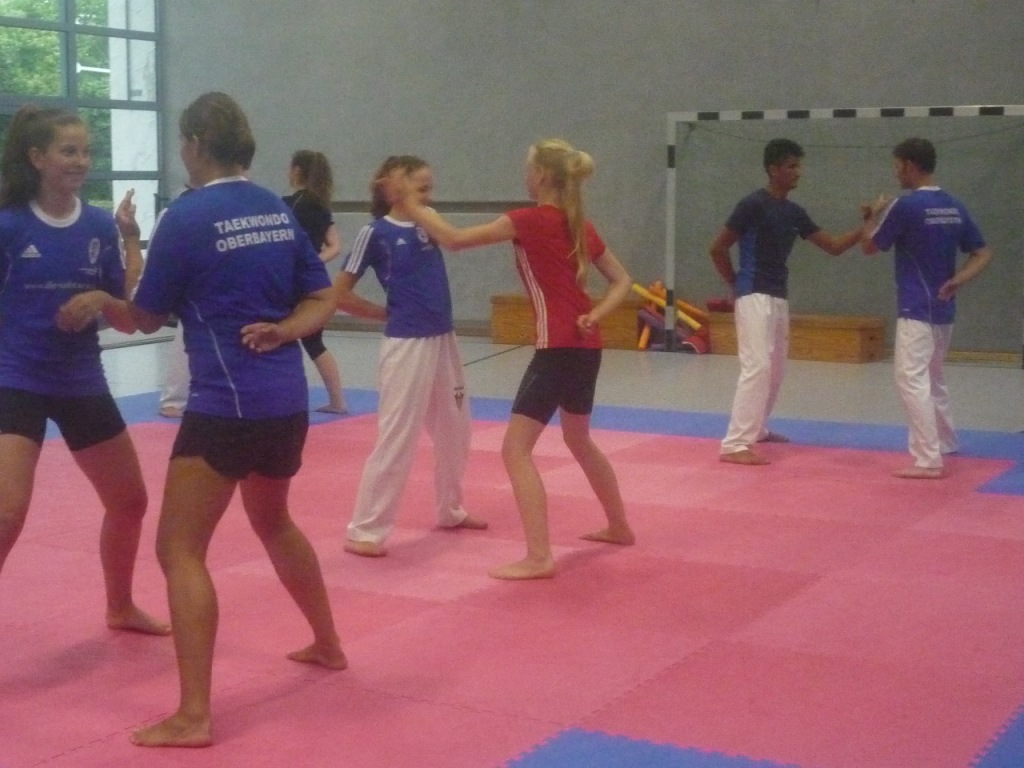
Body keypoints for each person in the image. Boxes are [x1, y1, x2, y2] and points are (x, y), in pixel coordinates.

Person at [127, 92, 346, 749]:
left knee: (178, 549)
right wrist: (285, 331)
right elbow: (322, 298)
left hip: (225, 406)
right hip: (285, 405)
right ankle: (328, 643)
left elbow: (145, 316)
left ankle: (194, 714)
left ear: (196, 143)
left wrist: (126, 249)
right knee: (273, 520)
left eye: (182, 141)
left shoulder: (187, 216)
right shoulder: (276, 209)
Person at [401, 138, 635, 580]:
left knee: (515, 449)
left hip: (557, 348)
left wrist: (410, 204)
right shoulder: (578, 224)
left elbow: (454, 240)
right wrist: (597, 314)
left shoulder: (527, 220)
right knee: (579, 440)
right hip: (586, 346)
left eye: (528, 169)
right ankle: (619, 525)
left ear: (541, 176)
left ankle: (539, 556)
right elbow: (623, 281)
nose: (525, 176)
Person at [0, 105, 168, 635]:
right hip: (16, 379)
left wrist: (101, 297)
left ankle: (120, 606)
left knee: (130, 502)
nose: (80, 161)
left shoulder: (98, 225)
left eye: (86, 151)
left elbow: (127, 319)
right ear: (37, 157)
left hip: (80, 380)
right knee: (6, 512)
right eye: (68, 151)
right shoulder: (9, 225)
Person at [335, 155, 487, 558]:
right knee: (398, 434)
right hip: (407, 344)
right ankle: (365, 529)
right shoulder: (375, 233)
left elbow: (454, 240)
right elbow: (340, 293)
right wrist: (380, 313)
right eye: (420, 187)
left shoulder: (429, 221)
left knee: (457, 428)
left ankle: (450, 508)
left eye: (429, 188)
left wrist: (418, 207)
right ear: (394, 188)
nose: (427, 194)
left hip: (443, 339)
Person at [709, 138, 863, 465]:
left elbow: (833, 246)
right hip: (753, 293)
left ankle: (758, 429)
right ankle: (735, 444)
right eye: (791, 166)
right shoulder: (752, 204)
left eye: (798, 166)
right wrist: (735, 283)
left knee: (776, 369)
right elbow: (718, 248)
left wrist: (866, 227)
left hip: (778, 296)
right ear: (773, 169)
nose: (798, 172)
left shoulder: (794, 213)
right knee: (757, 366)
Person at [861, 137, 992, 479]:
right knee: (933, 376)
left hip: (916, 307)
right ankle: (945, 440)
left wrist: (872, 216)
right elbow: (982, 253)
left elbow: (870, 247)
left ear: (909, 165)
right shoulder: (954, 205)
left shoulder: (905, 207)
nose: (895, 173)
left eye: (897, 166)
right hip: (944, 308)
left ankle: (927, 458)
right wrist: (958, 280)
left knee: (910, 378)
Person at [284, 149, 348, 414]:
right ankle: (337, 401)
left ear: (297, 171)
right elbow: (336, 246)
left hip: (292, 281)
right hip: (316, 282)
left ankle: (282, 400)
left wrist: (302, 265)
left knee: (280, 336)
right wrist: (315, 262)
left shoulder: (290, 205)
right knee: (314, 342)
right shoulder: (320, 205)